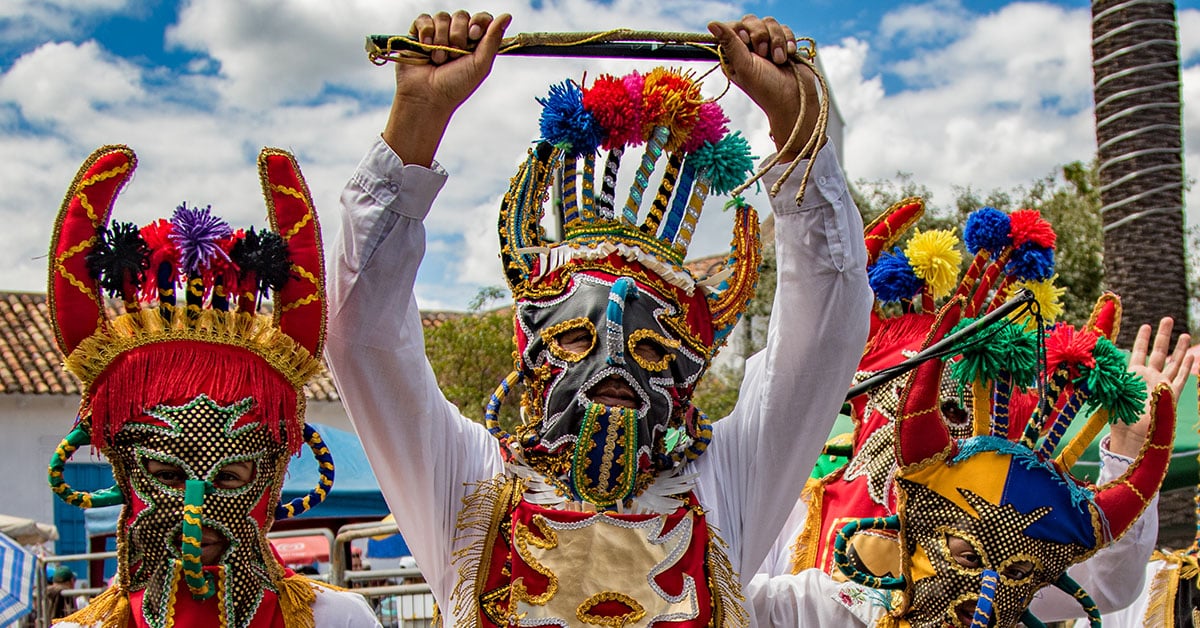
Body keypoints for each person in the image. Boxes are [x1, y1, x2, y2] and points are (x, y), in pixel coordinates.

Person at [325, 9, 871, 626]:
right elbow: (359, 336)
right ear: (532, 355)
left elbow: (826, 332)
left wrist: (798, 129)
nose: (612, 366)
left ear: (686, 375)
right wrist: (417, 118)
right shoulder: (468, 488)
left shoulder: (725, 488)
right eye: (576, 338)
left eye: (652, 352)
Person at [760, 198, 1189, 622]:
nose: (928, 431)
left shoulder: (1010, 535)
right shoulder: (796, 507)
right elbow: (736, 594)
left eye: (956, 414)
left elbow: (1106, 583)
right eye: (914, 399)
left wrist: (1131, 447)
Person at [42, 146, 380, 627]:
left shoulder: (338, 621)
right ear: (123, 469)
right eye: (167, 473)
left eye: (228, 477)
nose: (193, 508)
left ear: (272, 474)